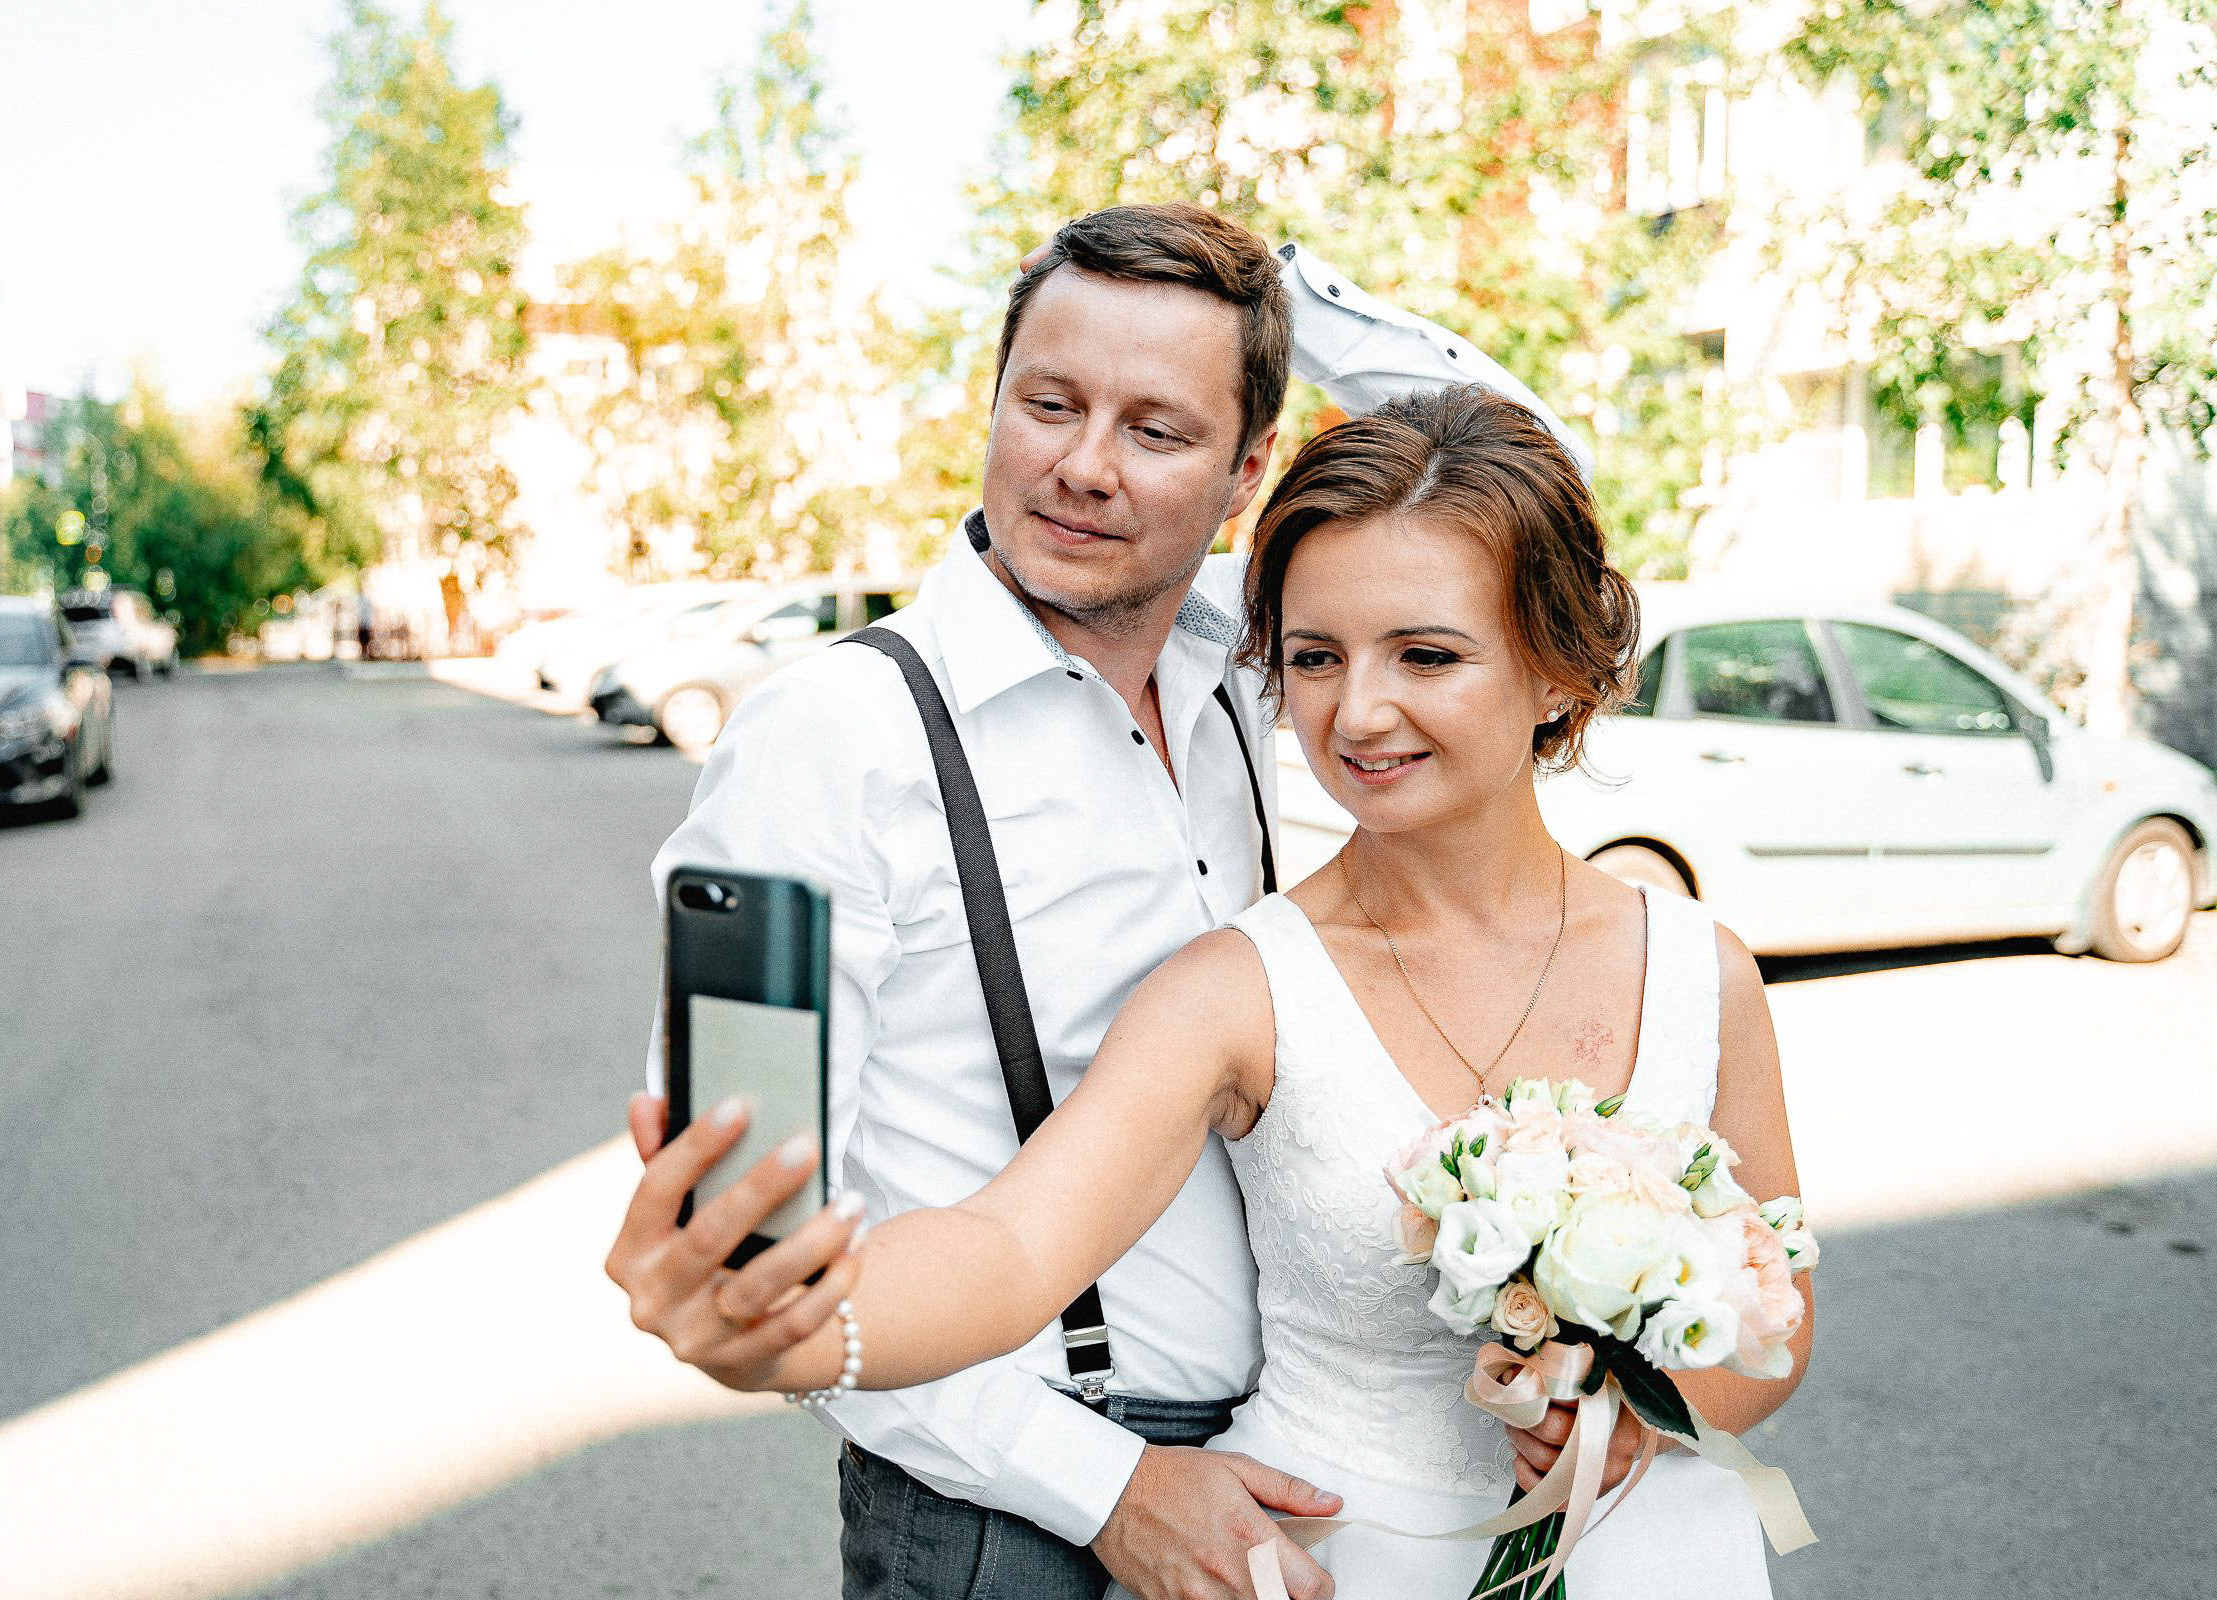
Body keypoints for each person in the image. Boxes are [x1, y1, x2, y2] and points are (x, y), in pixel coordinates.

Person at [620, 384, 1815, 1597]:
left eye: (1427, 655)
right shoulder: (1238, 988)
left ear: (1560, 669)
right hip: (1330, 1563)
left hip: (1658, 1559)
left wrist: (1641, 1410)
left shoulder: (1700, 966)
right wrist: (805, 1323)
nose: (1357, 710)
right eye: (1313, 657)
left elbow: (1777, 1321)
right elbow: (1013, 1242)